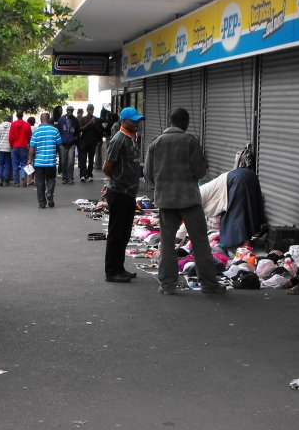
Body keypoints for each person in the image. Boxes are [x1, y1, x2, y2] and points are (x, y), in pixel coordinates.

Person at [144, 107, 225, 295]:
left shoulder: (155, 144)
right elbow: (201, 172)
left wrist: (162, 185)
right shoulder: (190, 142)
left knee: (167, 242)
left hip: (166, 201)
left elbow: (148, 174)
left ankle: (168, 285)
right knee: (200, 242)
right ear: (185, 122)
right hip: (189, 200)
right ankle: (209, 285)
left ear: (170, 121)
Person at [101, 107, 143, 282]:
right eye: (133, 120)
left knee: (124, 233)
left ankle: (119, 267)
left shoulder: (133, 138)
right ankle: (112, 271)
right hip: (119, 192)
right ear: (124, 121)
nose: (137, 123)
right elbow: (107, 167)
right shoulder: (118, 139)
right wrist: (117, 181)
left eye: (137, 120)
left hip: (128, 193)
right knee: (116, 233)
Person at [28, 111, 61, 209]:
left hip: (39, 162)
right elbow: (59, 143)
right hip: (51, 161)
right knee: (51, 178)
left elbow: (32, 148)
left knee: (40, 182)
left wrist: (30, 159)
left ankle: (42, 203)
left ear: (41, 120)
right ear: (49, 119)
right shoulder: (55, 130)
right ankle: (50, 193)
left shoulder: (36, 132)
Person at [77, 104, 102, 182]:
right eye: (89, 109)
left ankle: (90, 174)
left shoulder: (97, 120)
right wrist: (89, 124)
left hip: (93, 142)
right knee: (83, 159)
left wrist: (94, 125)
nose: (91, 111)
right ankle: (82, 175)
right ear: (87, 110)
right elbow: (80, 129)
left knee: (91, 159)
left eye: (92, 109)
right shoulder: (83, 119)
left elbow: (100, 131)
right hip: (84, 142)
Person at [8, 111, 32, 187]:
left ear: (16, 115)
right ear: (22, 115)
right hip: (24, 146)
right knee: (24, 163)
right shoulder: (27, 125)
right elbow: (30, 136)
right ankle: (23, 174)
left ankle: (16, 182)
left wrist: (11, 145)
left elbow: (11, 137)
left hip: (15, 146)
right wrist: (28, 144)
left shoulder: (13, 124)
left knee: (15, 164)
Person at [56, 105, 79, 184]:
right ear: (66, 111)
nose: (70, 112)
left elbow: (77, 131)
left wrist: (75, 139)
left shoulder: (75, 120)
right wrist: (59, 141)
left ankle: (70, 177)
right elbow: (58, 131)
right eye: (69, 111)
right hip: (63, 144)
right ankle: (64, 177)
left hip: (72, 143)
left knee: (70, 161)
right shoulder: (61, 120)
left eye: (71, 111)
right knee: (63, 161)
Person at [0, 115, 13, 186]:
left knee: (0, 164)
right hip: (9, 148)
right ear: (10, 120)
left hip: (0, 148)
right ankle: (6, 179)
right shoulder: (12, 126)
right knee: (8, 164)